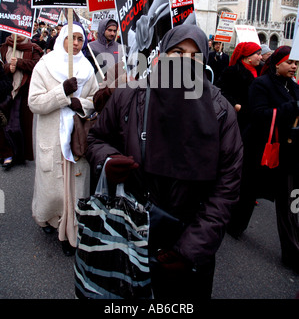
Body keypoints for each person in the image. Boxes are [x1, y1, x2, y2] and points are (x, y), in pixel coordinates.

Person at [86, 24, 243, 300]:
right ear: (162, 55)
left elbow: (227, 187)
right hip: (130, 235)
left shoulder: (221, 111)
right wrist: (108, 161)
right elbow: (96, 140)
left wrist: (190, 249)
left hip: (188, 245)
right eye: (177, 51)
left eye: (194, 56)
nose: (184, 61)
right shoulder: (129, 96)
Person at [28, 23, 99, 256]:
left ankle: (70, 230)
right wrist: (62, 92)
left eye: (81, 39)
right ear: (63, 39)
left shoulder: (88, 68)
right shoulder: (45, 66)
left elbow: (94, 102)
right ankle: (50, 218)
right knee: (53, 189)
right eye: (73, 38)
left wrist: (81, 104)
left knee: (76, 187)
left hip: (77, 139)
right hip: (52, 136)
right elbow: (35, 102)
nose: (77, 43)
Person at [247, 46, 299, 272]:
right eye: (290, 62)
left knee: (292, 205)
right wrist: (291, 108)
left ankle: (292, 253)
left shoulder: (296, 87)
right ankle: (231, 224)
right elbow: (258, 114)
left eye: (296, 63)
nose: (294, 66)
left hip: (291, 155)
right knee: (246, 193)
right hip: (264, 151)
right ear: (277, 63)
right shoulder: (261, 84)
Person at [218, 41, 262, 237]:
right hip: (236, 119)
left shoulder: (260, 74)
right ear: (247, 57)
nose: (260, 57)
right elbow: (222, 91)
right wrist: (234, 104)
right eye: (257, 54)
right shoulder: (232, 72)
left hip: (251, 123)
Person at [0, 34, 43, 170]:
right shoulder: (4, 47)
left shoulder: (33, 48)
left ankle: (20, 154)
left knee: (20, 125)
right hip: (6, 90)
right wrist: (8, 68)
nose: (16, 35)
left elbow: (37, 66)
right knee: (7, 124)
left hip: (25, 90)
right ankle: (8, 153)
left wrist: (19, 62)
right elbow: (1, 68)